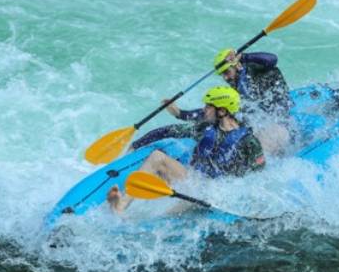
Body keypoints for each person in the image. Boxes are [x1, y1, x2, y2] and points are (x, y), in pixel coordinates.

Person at [107, 86, 265, 213]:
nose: (204, 110)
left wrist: (236, 196)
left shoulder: (248, 141)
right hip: (192, 177)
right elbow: (168, 130)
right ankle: (121, 205)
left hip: (216, 191)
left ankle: (144, 221)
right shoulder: (206, 128)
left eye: (208, 107)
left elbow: (259, 174)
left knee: (198, 195)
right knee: (157, 157)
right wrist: (137, 144)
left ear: (222, 111)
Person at [167, 49, 294, 155]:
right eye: (222, 75)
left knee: (258, 143)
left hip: (281, 123)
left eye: (227, 72)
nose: (225, 78)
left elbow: (272, 59)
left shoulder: (256, 70)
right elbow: (215, 110)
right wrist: (180, 113)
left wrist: (243, 56)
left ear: (237, 65)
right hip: (261, 122)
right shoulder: (235, 87)